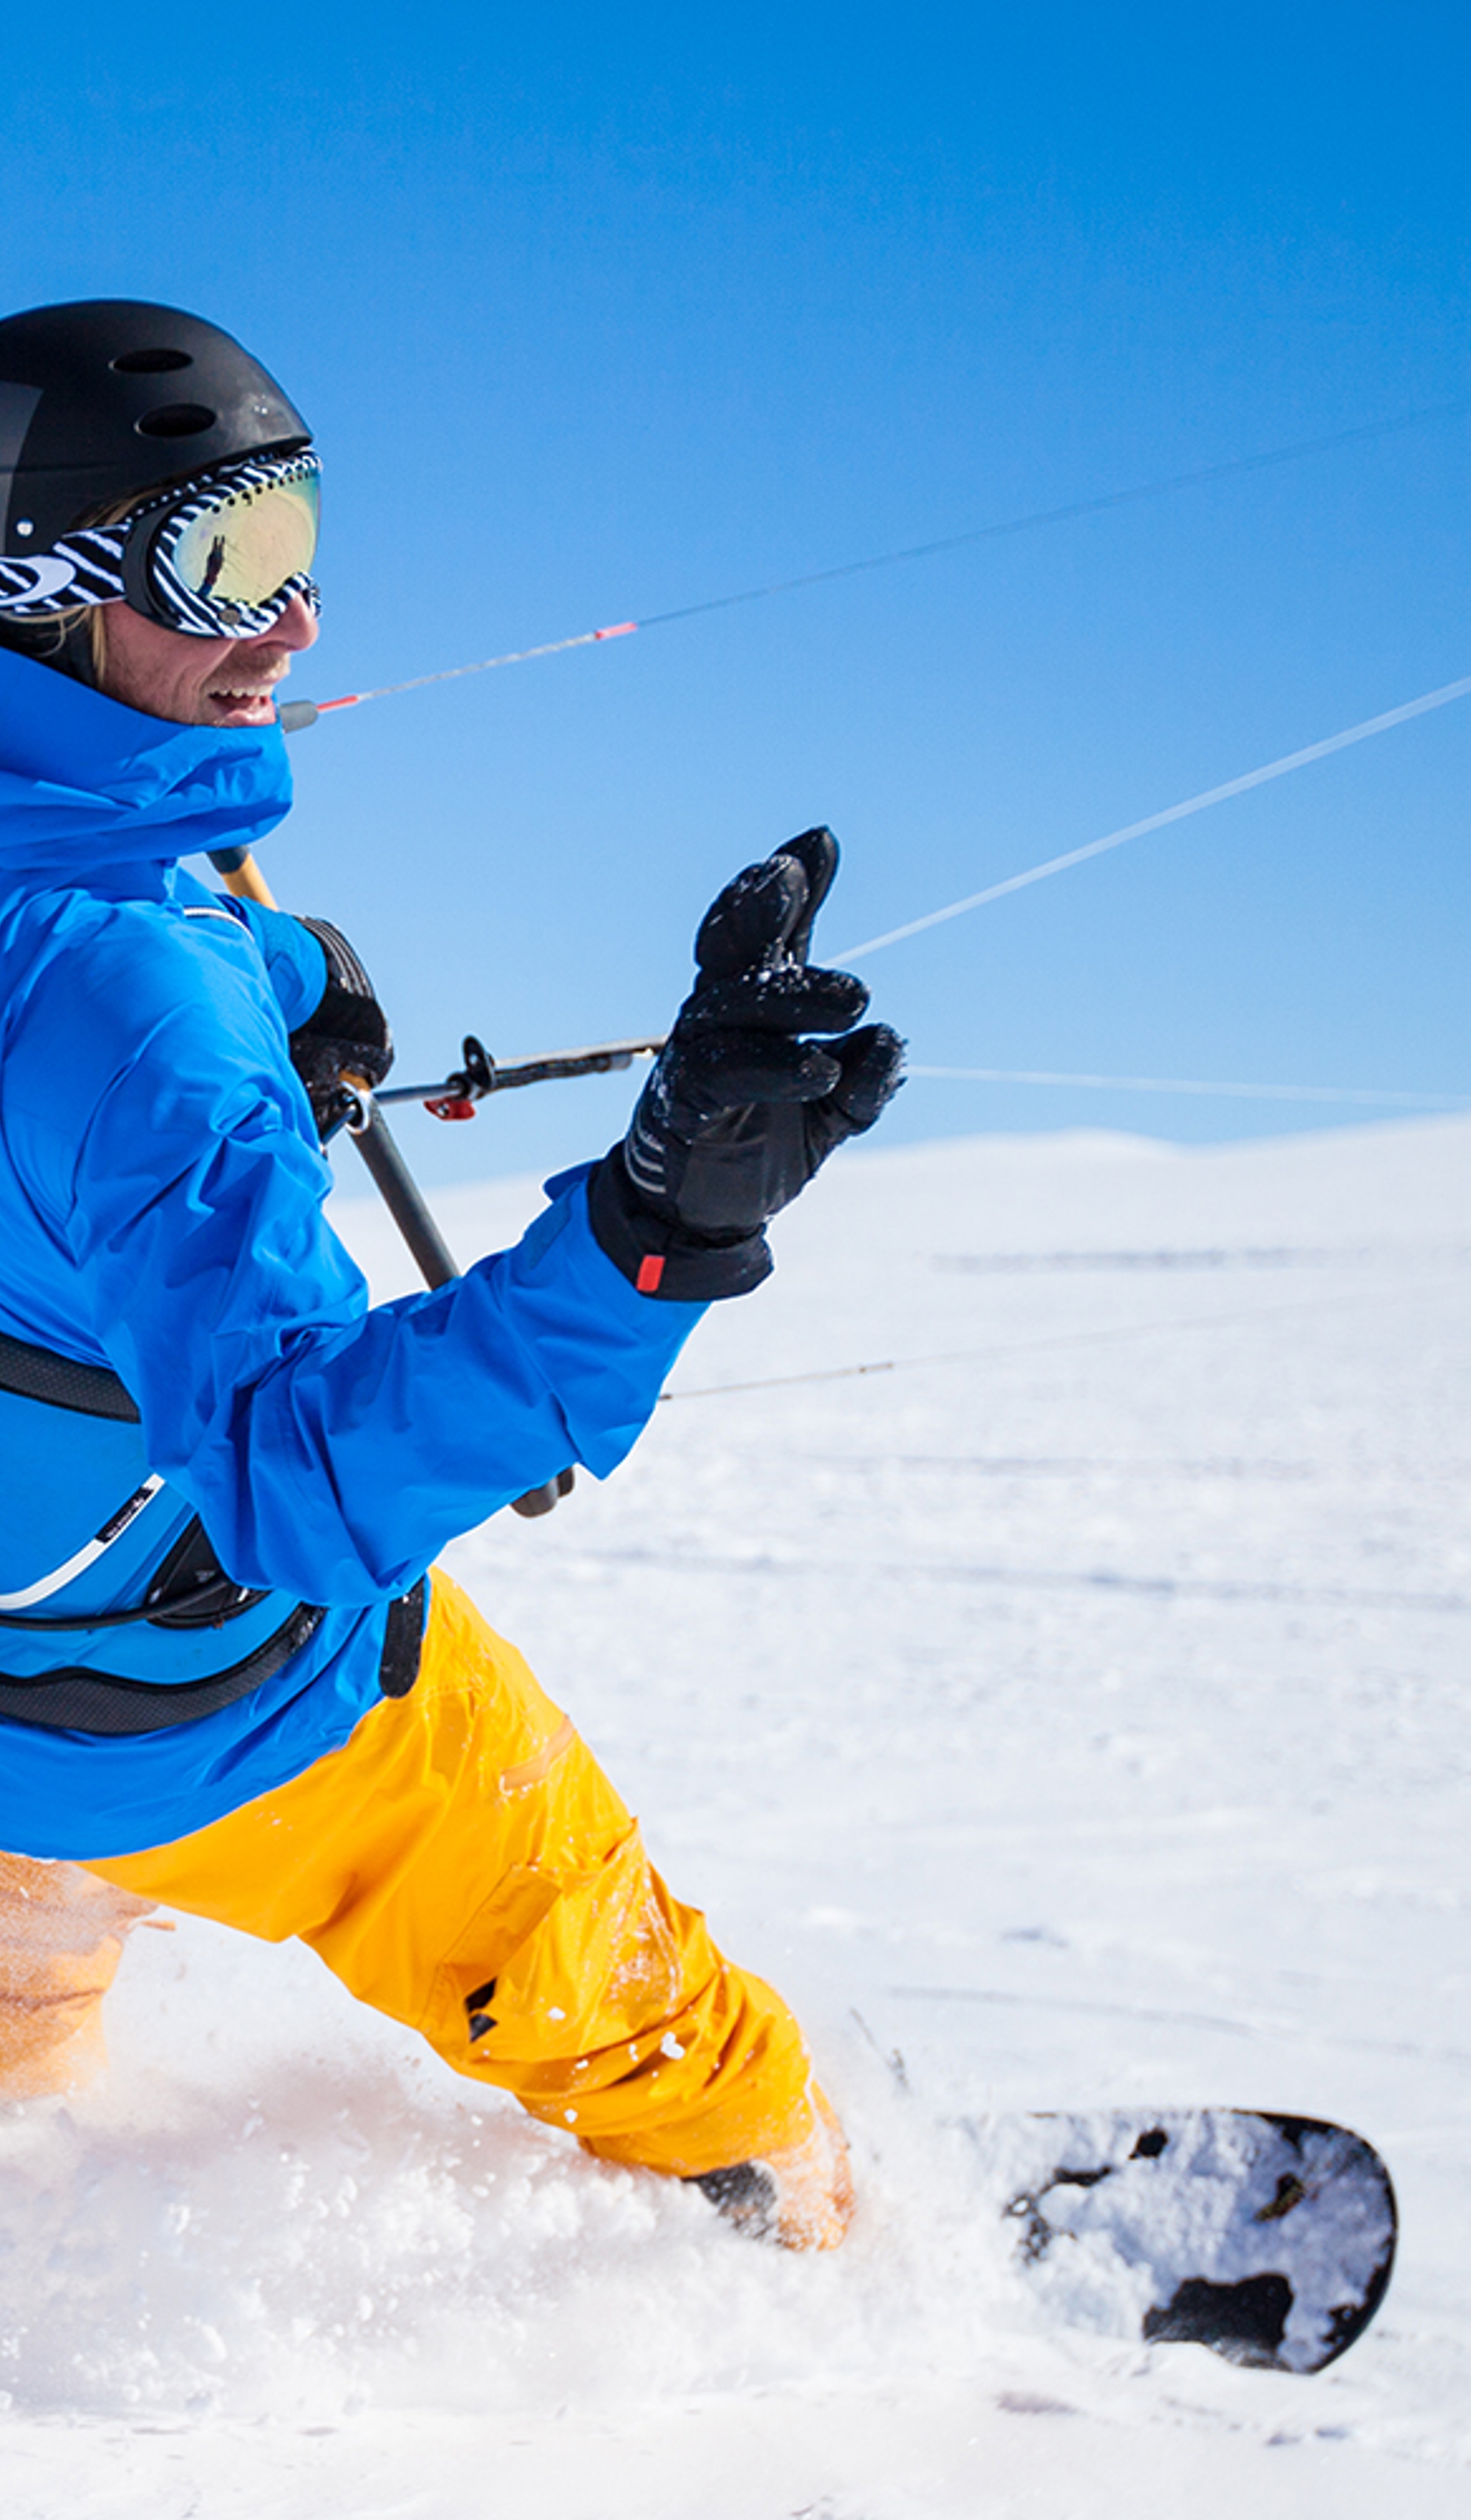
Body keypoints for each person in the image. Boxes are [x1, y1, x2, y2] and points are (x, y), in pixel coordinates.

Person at [0, 299, 903, 2249]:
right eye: (224, 554)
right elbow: (297, 1480)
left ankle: (31, 2182)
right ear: (46, 586)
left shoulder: (135, 940)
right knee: (576, 1940)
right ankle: (818, 2222)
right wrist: (654, 1232)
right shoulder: (130, 998)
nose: (298, 616)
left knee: (22, 2009)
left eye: (301, 535)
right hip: (237, 1713)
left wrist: (294, 975)